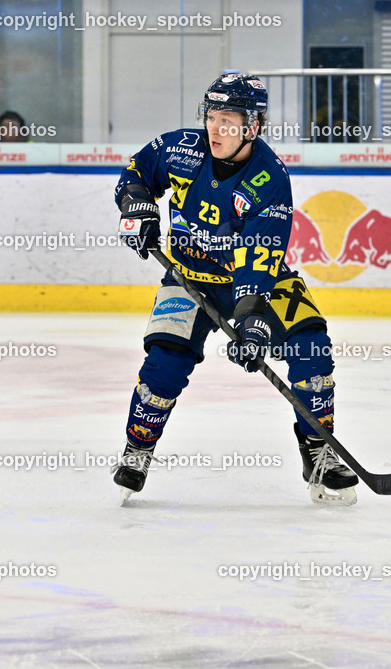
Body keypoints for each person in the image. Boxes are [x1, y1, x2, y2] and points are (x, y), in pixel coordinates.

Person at [111, 73, 358, 505]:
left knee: (310, 347)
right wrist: (137, 205)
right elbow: (136, 174)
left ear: (253, 126)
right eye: (211, 117)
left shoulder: (270, 178)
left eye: (228, 120)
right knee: (165, 361)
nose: (216, 129)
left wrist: (253, 323)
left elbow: (259, 263)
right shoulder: (179, 149)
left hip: (257, 283)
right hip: (189, 277)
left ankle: (317, 450)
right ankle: (138, 449)